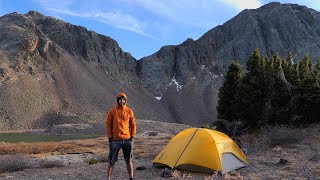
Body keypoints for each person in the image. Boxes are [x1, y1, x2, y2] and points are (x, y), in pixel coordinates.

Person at [106, 93, 136, 180]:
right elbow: (108, 124)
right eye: (120, 99)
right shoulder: (112, 111)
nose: (121, 101)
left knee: (128, 161)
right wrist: (110, 137)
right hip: (115, 140)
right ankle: (108, 178)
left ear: (125, 100)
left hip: (127, 140)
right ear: (117, 100)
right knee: (111, 161)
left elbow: (133, 124)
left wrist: (132, 135)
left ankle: (131, 178)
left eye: (123, 99)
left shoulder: (129, 111)